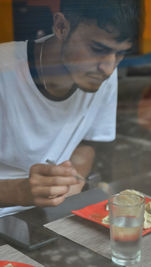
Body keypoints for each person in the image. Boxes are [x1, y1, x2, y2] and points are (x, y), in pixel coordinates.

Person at [0, 0, 141, 217]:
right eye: (97, 49)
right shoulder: (4, 73)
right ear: (61, 27)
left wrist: (73, 177)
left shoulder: (102, 73)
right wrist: (20, 191)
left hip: (50, 215)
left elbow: (90, 141)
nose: (108, 67)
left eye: (120, 54)